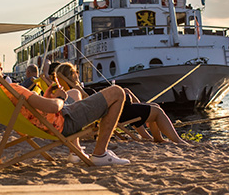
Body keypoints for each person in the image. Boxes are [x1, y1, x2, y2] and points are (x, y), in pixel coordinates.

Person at [0, 48, 131, 165]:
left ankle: (76, 152)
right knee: (117, 92)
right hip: (64, 122)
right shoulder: (13, 89)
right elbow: (53, 108)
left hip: (48, 123)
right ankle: (100, 153)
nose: (1, 65)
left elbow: (35, 111)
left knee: (74, 93)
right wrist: (59, 98)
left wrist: (48, 96)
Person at [54, 62, 188, 145]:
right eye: (75, 73)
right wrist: (77, 87)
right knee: (157, 111)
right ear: (71, 75)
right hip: (114, 111)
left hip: (112, 108)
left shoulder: (70, 91)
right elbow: (89, 105)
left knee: (154, 106)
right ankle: (177, 140)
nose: (77, 74)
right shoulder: (75, 91)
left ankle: (156, 137)